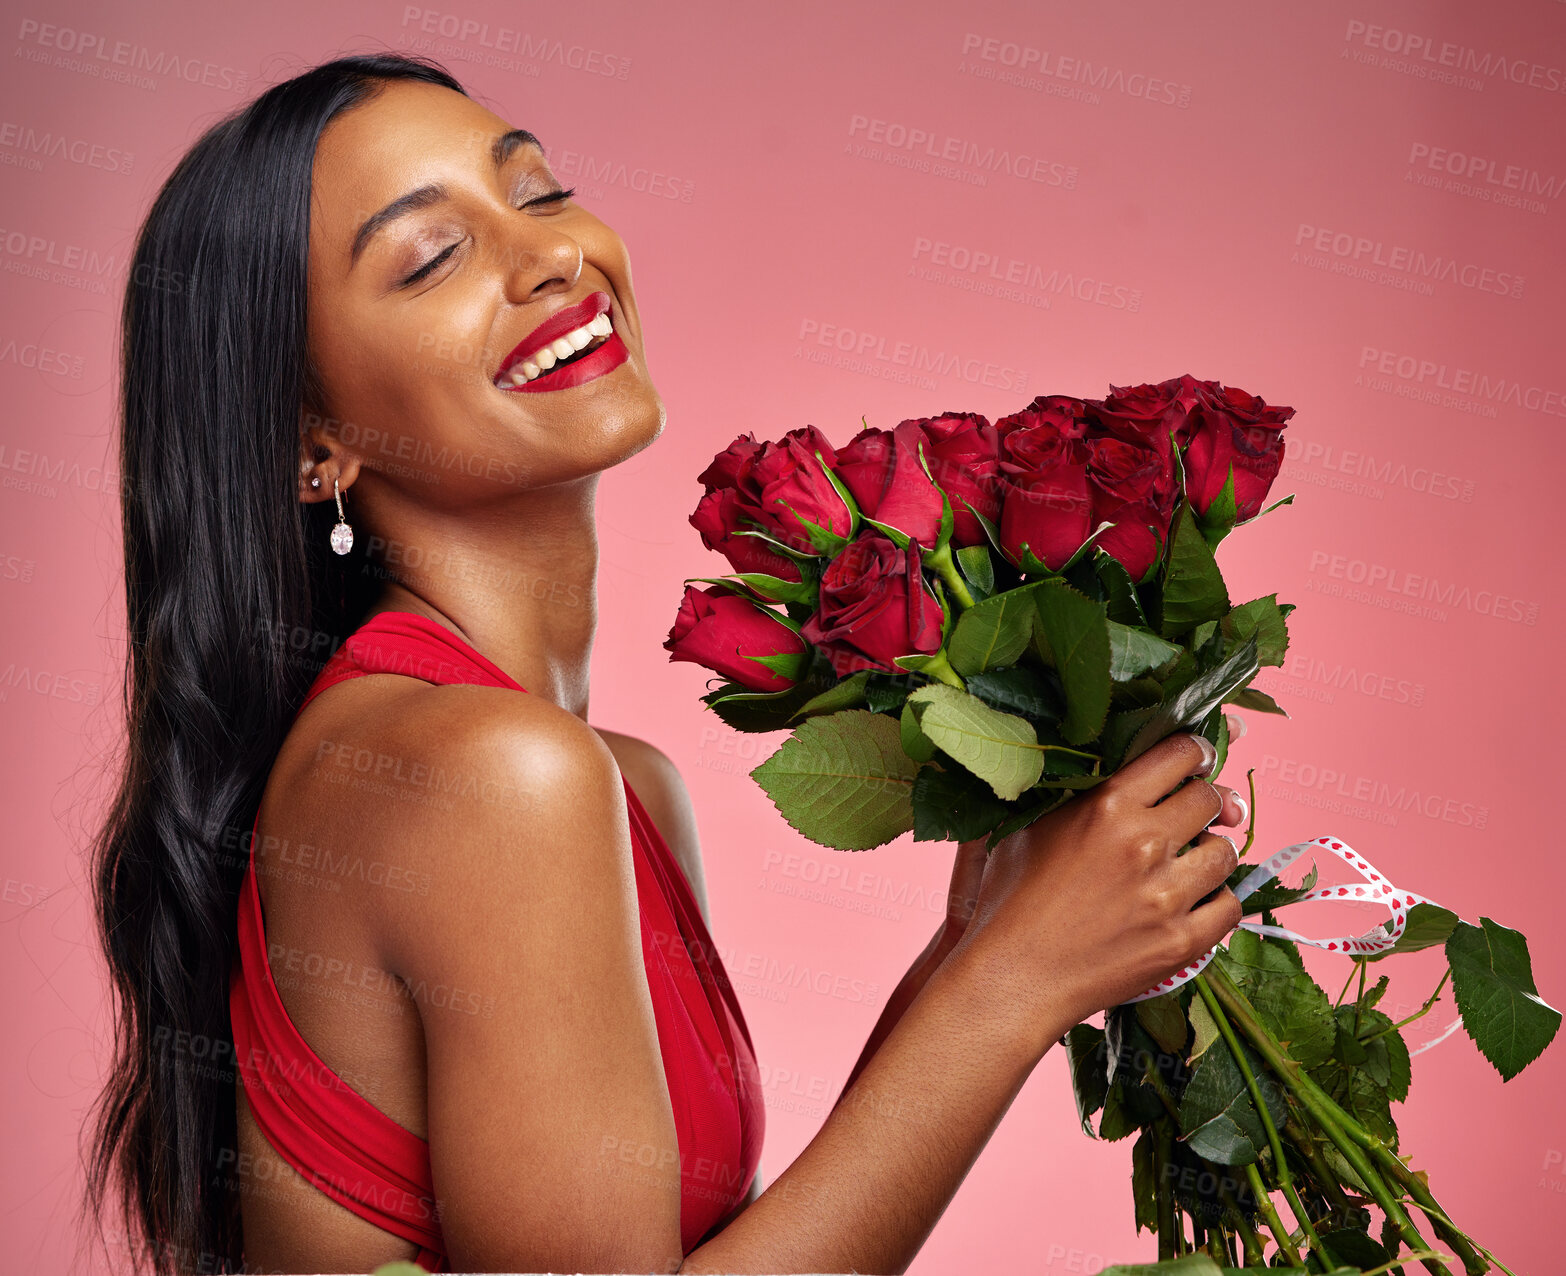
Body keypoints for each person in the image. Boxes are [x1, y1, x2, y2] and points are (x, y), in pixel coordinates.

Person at [85, 52, 1249, 1275]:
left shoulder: (605, 781)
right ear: (311, 442)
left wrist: (979, 939)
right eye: (432, 257)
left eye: (536, 193)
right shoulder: (488, 773)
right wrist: (1013, 985)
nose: (550, 258)